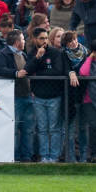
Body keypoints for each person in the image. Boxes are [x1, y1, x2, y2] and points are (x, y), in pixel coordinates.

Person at [25, 25, 76, 163]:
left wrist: (39, 72)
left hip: (54, 96)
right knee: (41, 128)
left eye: (46, 38)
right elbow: (27, 70)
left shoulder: (55, 53)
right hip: (38, 96)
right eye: (42, 38)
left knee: (54, 128)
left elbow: (57, 71)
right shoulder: (31, 53)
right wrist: (37, 58)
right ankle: (44, 156)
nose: (45, 41)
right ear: (34, 39)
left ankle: (54, 156)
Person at [0, 29, 35, 161]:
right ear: (17, 42)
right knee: (15, 129)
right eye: (23, 39)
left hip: (27, 95)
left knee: (28, 129)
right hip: (14, 97)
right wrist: (15, 73)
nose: (24, 41)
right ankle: (15, 156)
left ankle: (27, 156)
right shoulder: (2, 54)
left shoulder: (23, 54)